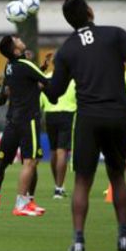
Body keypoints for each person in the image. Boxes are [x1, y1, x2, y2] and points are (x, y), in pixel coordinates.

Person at [46, 0, 126, 251]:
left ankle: (79, 241)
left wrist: (41, 80)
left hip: (88, 119)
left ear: (69, 21)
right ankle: (123, 237)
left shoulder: (66, 49)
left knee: (82, 180)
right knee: (117, 176)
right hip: (118, 115)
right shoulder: (115, 35)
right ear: (89, 12)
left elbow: (54, 93)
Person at [0, 36, 50, 217]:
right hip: (25, 118)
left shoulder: (11, 65)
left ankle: (28, 201)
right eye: (16, 39)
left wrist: (39, 67)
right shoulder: (22, 64)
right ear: (15, 50)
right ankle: (16, 202)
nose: (19, 39)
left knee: (32, 162)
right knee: (27, 161)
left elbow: (28, 82)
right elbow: (45, 82)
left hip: (17, 118)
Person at [39, 66, 77, 200]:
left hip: (50, 114)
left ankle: (58, 185)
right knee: (62, 151)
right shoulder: (72, 78)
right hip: (67, 114)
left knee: (53, 151)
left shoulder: (46, 77)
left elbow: (41, 101)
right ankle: (59, 189)